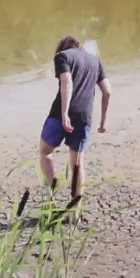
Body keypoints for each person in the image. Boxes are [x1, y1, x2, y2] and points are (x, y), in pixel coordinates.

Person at [39, 35, 111, 200]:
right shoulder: (95, 61)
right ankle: (75, 209)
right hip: (84, 117)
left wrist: (64, 113)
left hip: (59, 114)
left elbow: (67, 81)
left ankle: (51, 199)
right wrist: (103, 121)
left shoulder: (62, 56)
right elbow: (107, 91)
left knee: (45, 152)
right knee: (77, 165)